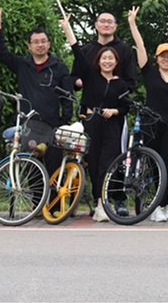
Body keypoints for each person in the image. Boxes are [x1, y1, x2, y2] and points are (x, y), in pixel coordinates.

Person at [60, 14, 130, 222]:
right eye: (103, 58)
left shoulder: (120, 84)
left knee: (108, 164)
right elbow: (77, 53)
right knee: (94, 162)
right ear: (98, 61)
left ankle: (105, 203)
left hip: (112, 126)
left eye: (111, 59)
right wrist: (67, 29)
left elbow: (125, 106)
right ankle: (99, 203)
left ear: (116, 62)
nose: (107, 61)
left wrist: (114, 111)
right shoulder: (90, 77)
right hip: (91, 122)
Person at [127, 6, 168, 223]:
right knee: (154, 165)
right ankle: (155, 206)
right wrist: (132, 23)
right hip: (150, 124)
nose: (166, 59)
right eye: (162, 56)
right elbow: (140, 46)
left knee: (167, 164)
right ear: (156, 58)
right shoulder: (149, 73)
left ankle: (165, 205)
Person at [0, 8, 73, 177]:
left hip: (52, 125)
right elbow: (2, 54)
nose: (40, 45)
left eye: (43, 41)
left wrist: (65, 121)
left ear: (49, 44)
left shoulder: (59, 67)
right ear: (29, 46)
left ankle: (54, 204)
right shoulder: (22, 64)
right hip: (29, 124)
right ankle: (36, 203)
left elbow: (67, 97)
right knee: (31, 169)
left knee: (53, 169)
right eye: (35, 42)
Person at [71, 11, 137, 92]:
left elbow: (130, 81)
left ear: (115, 26)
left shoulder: (125, 50)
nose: (106, 25)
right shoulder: (86, 50)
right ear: (96, 25)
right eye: (102, 21)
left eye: (110, 22)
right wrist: (82, 82)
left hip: (118, 101)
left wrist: (117, 84)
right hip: (90, 101)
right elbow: (74, 76)